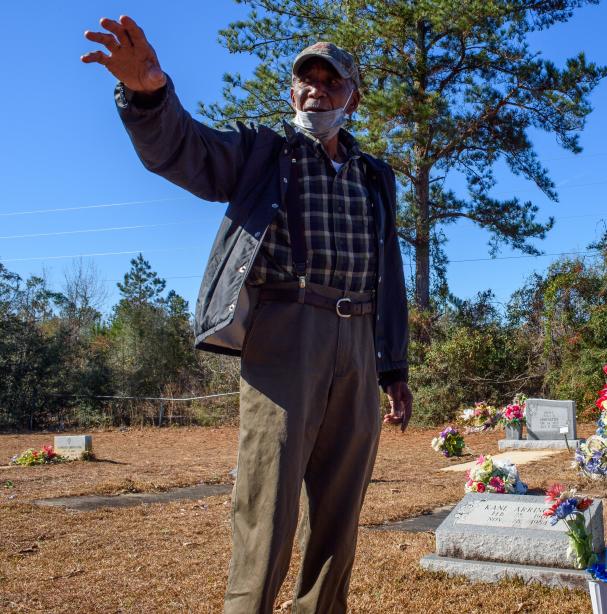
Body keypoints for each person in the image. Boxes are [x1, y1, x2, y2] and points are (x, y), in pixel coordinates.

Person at [82, 15, 413, 614]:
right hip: (287, 334)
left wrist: (393, 368)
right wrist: (148, 96)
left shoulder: (373, 174)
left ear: (352, 96)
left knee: (342, 505)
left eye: (331, 82)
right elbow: (185, 151)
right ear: (291, 93)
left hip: (360, 341)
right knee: (268, 498)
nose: (317, 90)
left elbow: (388, 271)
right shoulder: (265, 151)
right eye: (305, 81)